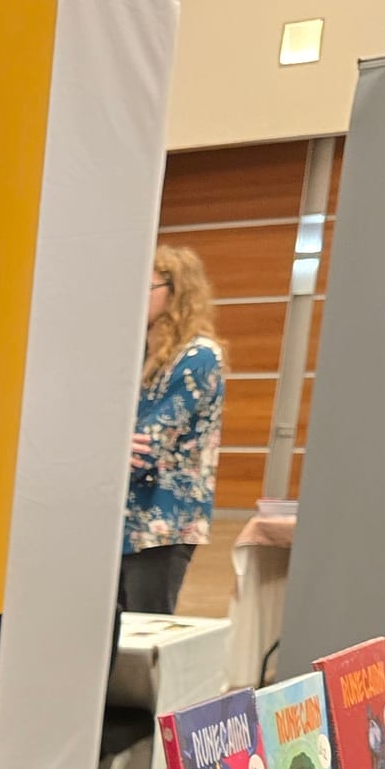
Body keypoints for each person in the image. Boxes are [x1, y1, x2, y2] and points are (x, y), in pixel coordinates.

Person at [122, 242, 226, 615]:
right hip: (123, 520)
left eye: (147, 287)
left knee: (143, 635)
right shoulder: (142, 354)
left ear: (176, 292)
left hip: (163, 523)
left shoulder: (198, 356)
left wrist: (110, 448)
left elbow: (146, 445)